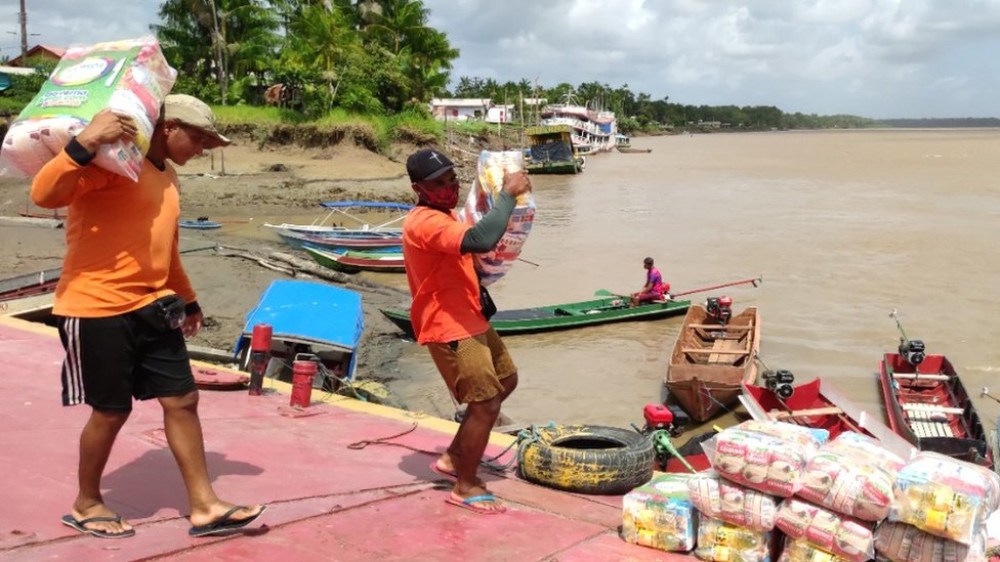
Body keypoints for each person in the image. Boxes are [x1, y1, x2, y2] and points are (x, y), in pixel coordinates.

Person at [31, 94, 265, 539]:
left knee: (183, 399)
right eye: (197, 139)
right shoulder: (109, 164)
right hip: (95, 307)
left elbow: (167, 249)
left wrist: (190, 300)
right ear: (168, 126)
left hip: (155, 305)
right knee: (110, 411)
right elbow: (44, 194)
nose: (201, 149)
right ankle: (87, 503)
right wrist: (85, 142)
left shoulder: (168, 176)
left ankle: (204, 506)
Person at [402, 148, 532, 515]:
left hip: (469, 315)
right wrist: (507, 195)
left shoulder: (446, 215)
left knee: (506, 380)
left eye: (451, 180)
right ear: (418, 188)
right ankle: (465, 485)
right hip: (449, 324)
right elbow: (479, 239)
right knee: (486, 402)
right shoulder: (426, 222)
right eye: (437, 184)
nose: (448, 188)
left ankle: (454, 457)